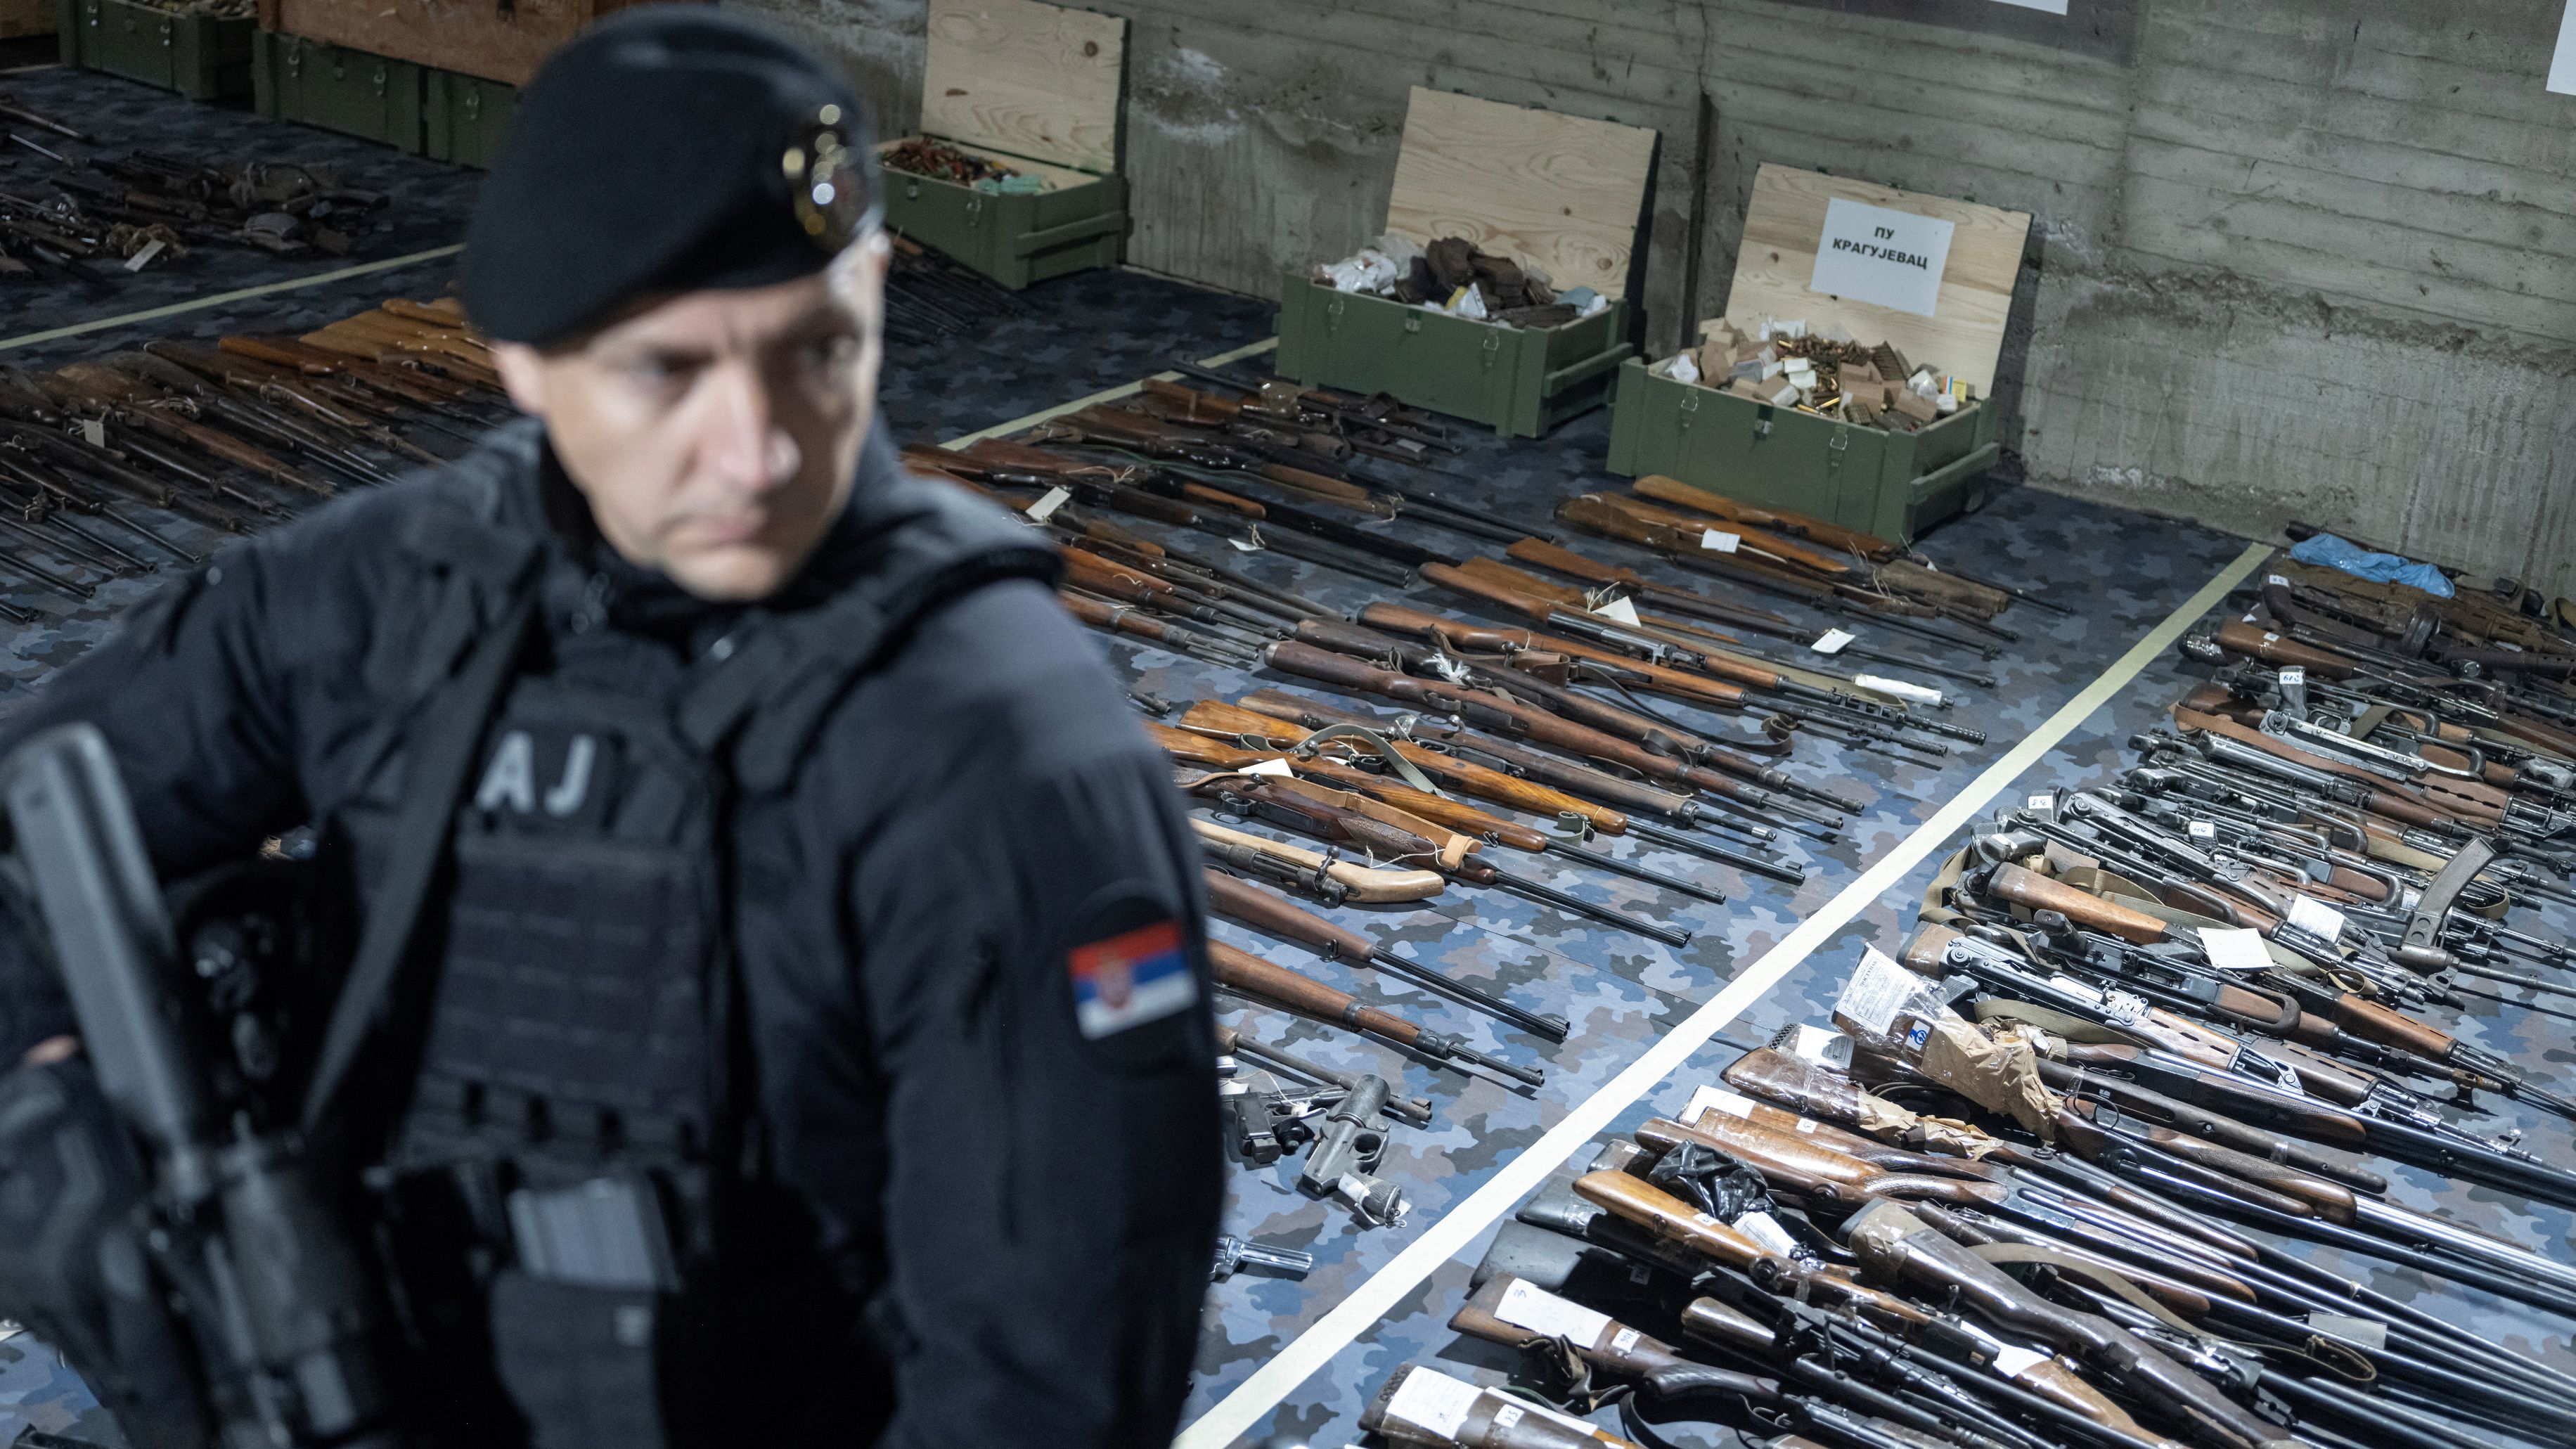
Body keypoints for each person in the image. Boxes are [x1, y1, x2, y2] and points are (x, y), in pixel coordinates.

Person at [0, 11, 1221, 1448]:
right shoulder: (377, 593)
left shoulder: (1002, 751)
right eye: (667, 371)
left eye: (817, 348)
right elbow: (36, 830)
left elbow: (1048, 1383)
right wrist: (70, 1165)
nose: (759, 447)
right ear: (519, 357)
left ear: (877, 285)